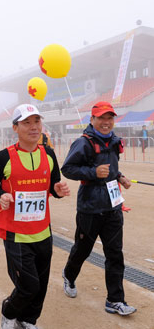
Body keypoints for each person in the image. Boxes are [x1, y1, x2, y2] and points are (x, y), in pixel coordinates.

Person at [0, 104, 70, 329]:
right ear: (15, 128)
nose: (34, 127)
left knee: (40, 285)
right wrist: (0, 195)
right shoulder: (4, 157)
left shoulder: (49, 154)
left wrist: (57, 191)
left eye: (37, 122)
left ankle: (28, 320)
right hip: (16, 234)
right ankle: (8, 311)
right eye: (27, 123)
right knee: (28, 286)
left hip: (43, 231)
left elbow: (53, 185)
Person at [61, 101, 136, 316]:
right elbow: (67, 169)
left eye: (110, 118)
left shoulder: (114, 141)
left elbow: (112, 168)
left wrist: (120, 177)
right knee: (82, 250)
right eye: (101, 118)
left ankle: (115, 300)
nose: (106, 122)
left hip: (113, 206)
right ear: (92, 120)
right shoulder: (83, 143)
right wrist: (94, 173)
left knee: (115, 254)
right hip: (90, 207)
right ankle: (69, 275)